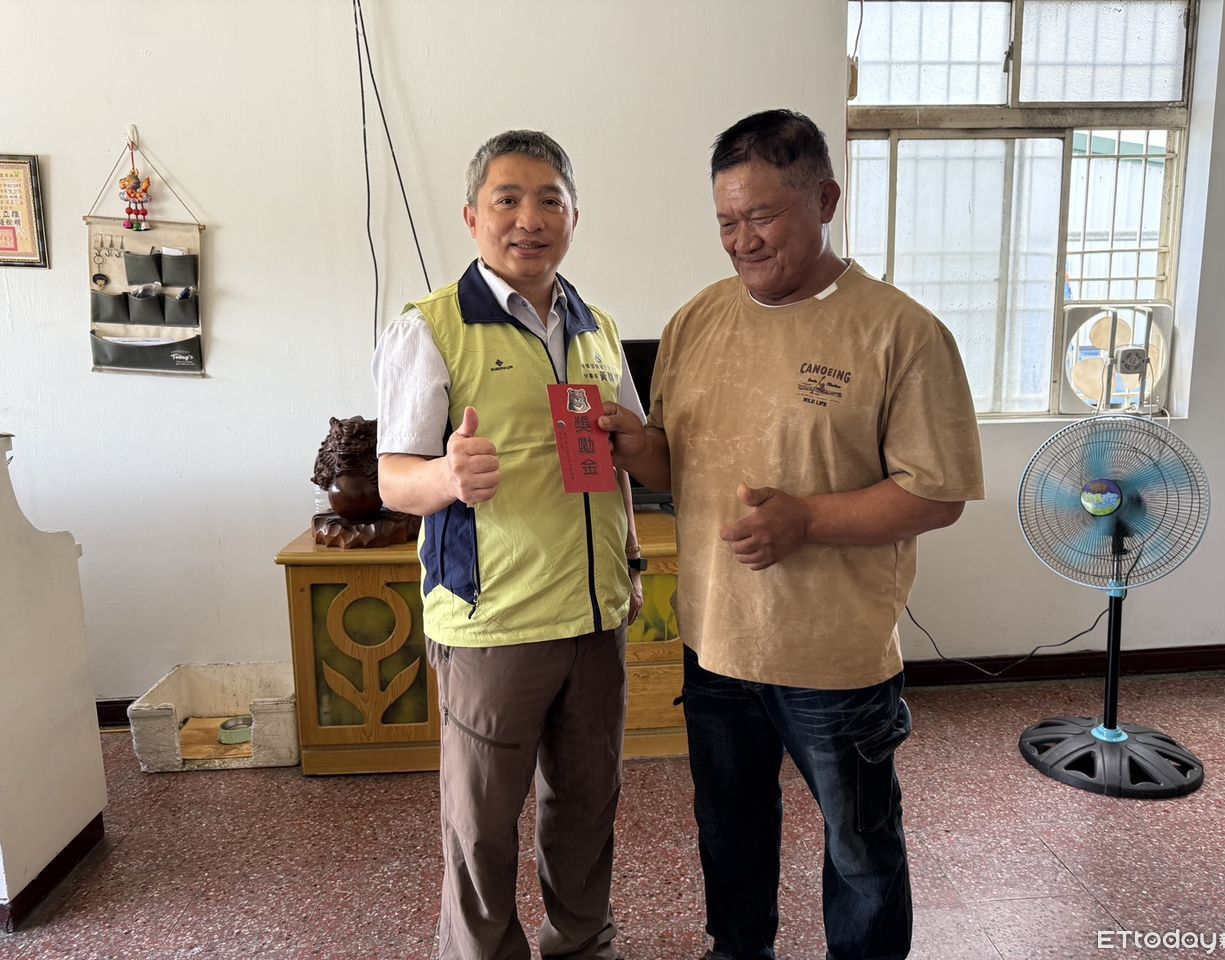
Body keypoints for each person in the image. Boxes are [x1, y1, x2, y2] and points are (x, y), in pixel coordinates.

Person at [600, 109, 985, 960]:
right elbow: (680, 464)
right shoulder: (698, 320)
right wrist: (635, 448)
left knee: (860, 849)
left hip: (833, 659)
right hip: (715, 643)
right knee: (728, 832)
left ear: (825, 200)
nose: (742, 240)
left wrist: (807, 518)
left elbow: (937, 494)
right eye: (726, 221)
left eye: (763, 216)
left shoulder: (900, 332)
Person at [373, 129, 647, 960]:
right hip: (492, 621)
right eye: (508, 199)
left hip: (594, 616)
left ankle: (582, 940)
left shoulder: (596, 329)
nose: (530, 219)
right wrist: (446, 476)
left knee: (588, 804)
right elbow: (393, 481)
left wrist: (632, 561)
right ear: (472, 216)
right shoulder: (431, 327)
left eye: (550, 200)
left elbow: (619, 456)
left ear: (574, 217)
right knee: (481, 823)